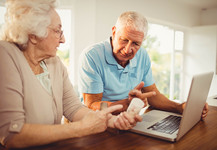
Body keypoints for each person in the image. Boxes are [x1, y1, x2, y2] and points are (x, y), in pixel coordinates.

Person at [0, 1, 143, 148]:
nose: (63, 40)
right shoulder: (5, 54)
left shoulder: (54, 63)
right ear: (34, 35)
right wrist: (81, 128)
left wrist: (111, 121)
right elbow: (11, 135)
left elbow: (74, 108)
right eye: (57, 31)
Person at [78, 11, 209, 117]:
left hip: (128, 118)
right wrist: (124, 105)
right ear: (114, 31)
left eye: (135, 43)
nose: (128, 49)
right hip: (98, 121)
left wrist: (180, 107)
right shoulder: (92, 56)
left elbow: (152, 95)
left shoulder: (143, 56)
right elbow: (92, 104)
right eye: (124, 40)